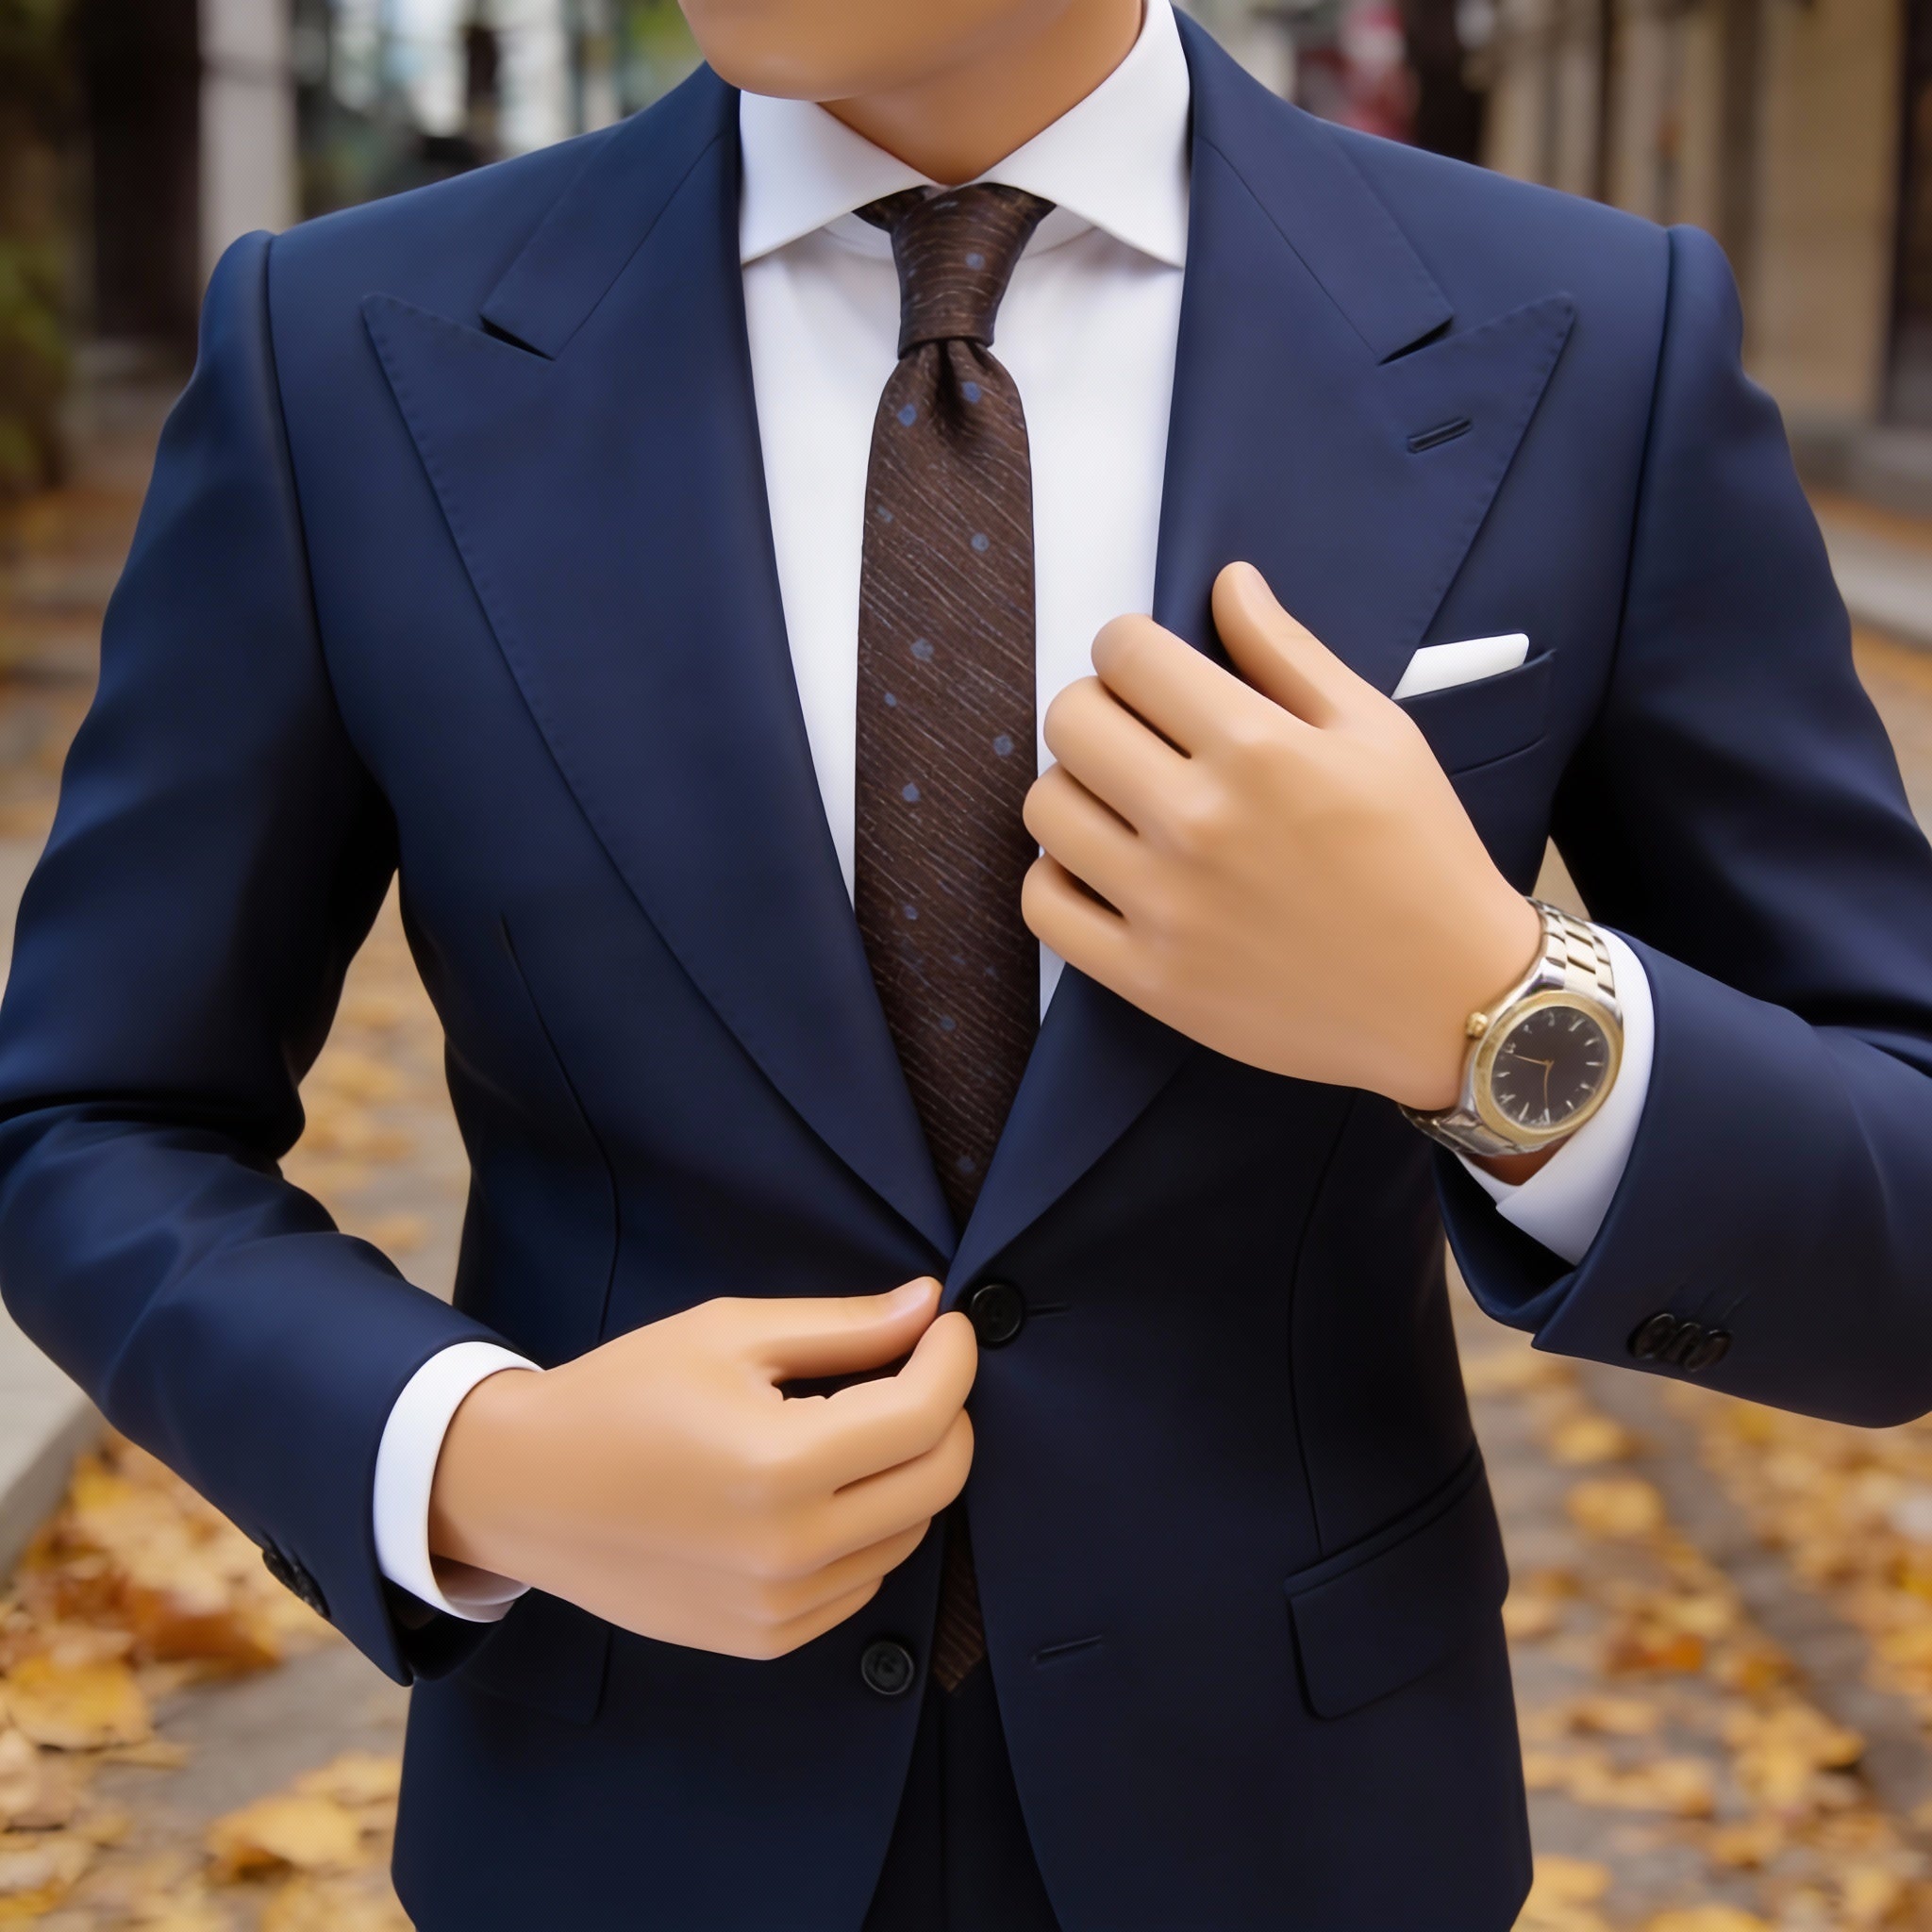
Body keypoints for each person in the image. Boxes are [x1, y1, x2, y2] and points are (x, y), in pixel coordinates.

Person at [3, 0, 1930, 1925]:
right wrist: (473, 1459)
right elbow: (89, 1117)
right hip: (624, 1815)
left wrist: (1490, 1015)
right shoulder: (343, 350)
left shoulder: (1586, 338)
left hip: (1304, 1832)